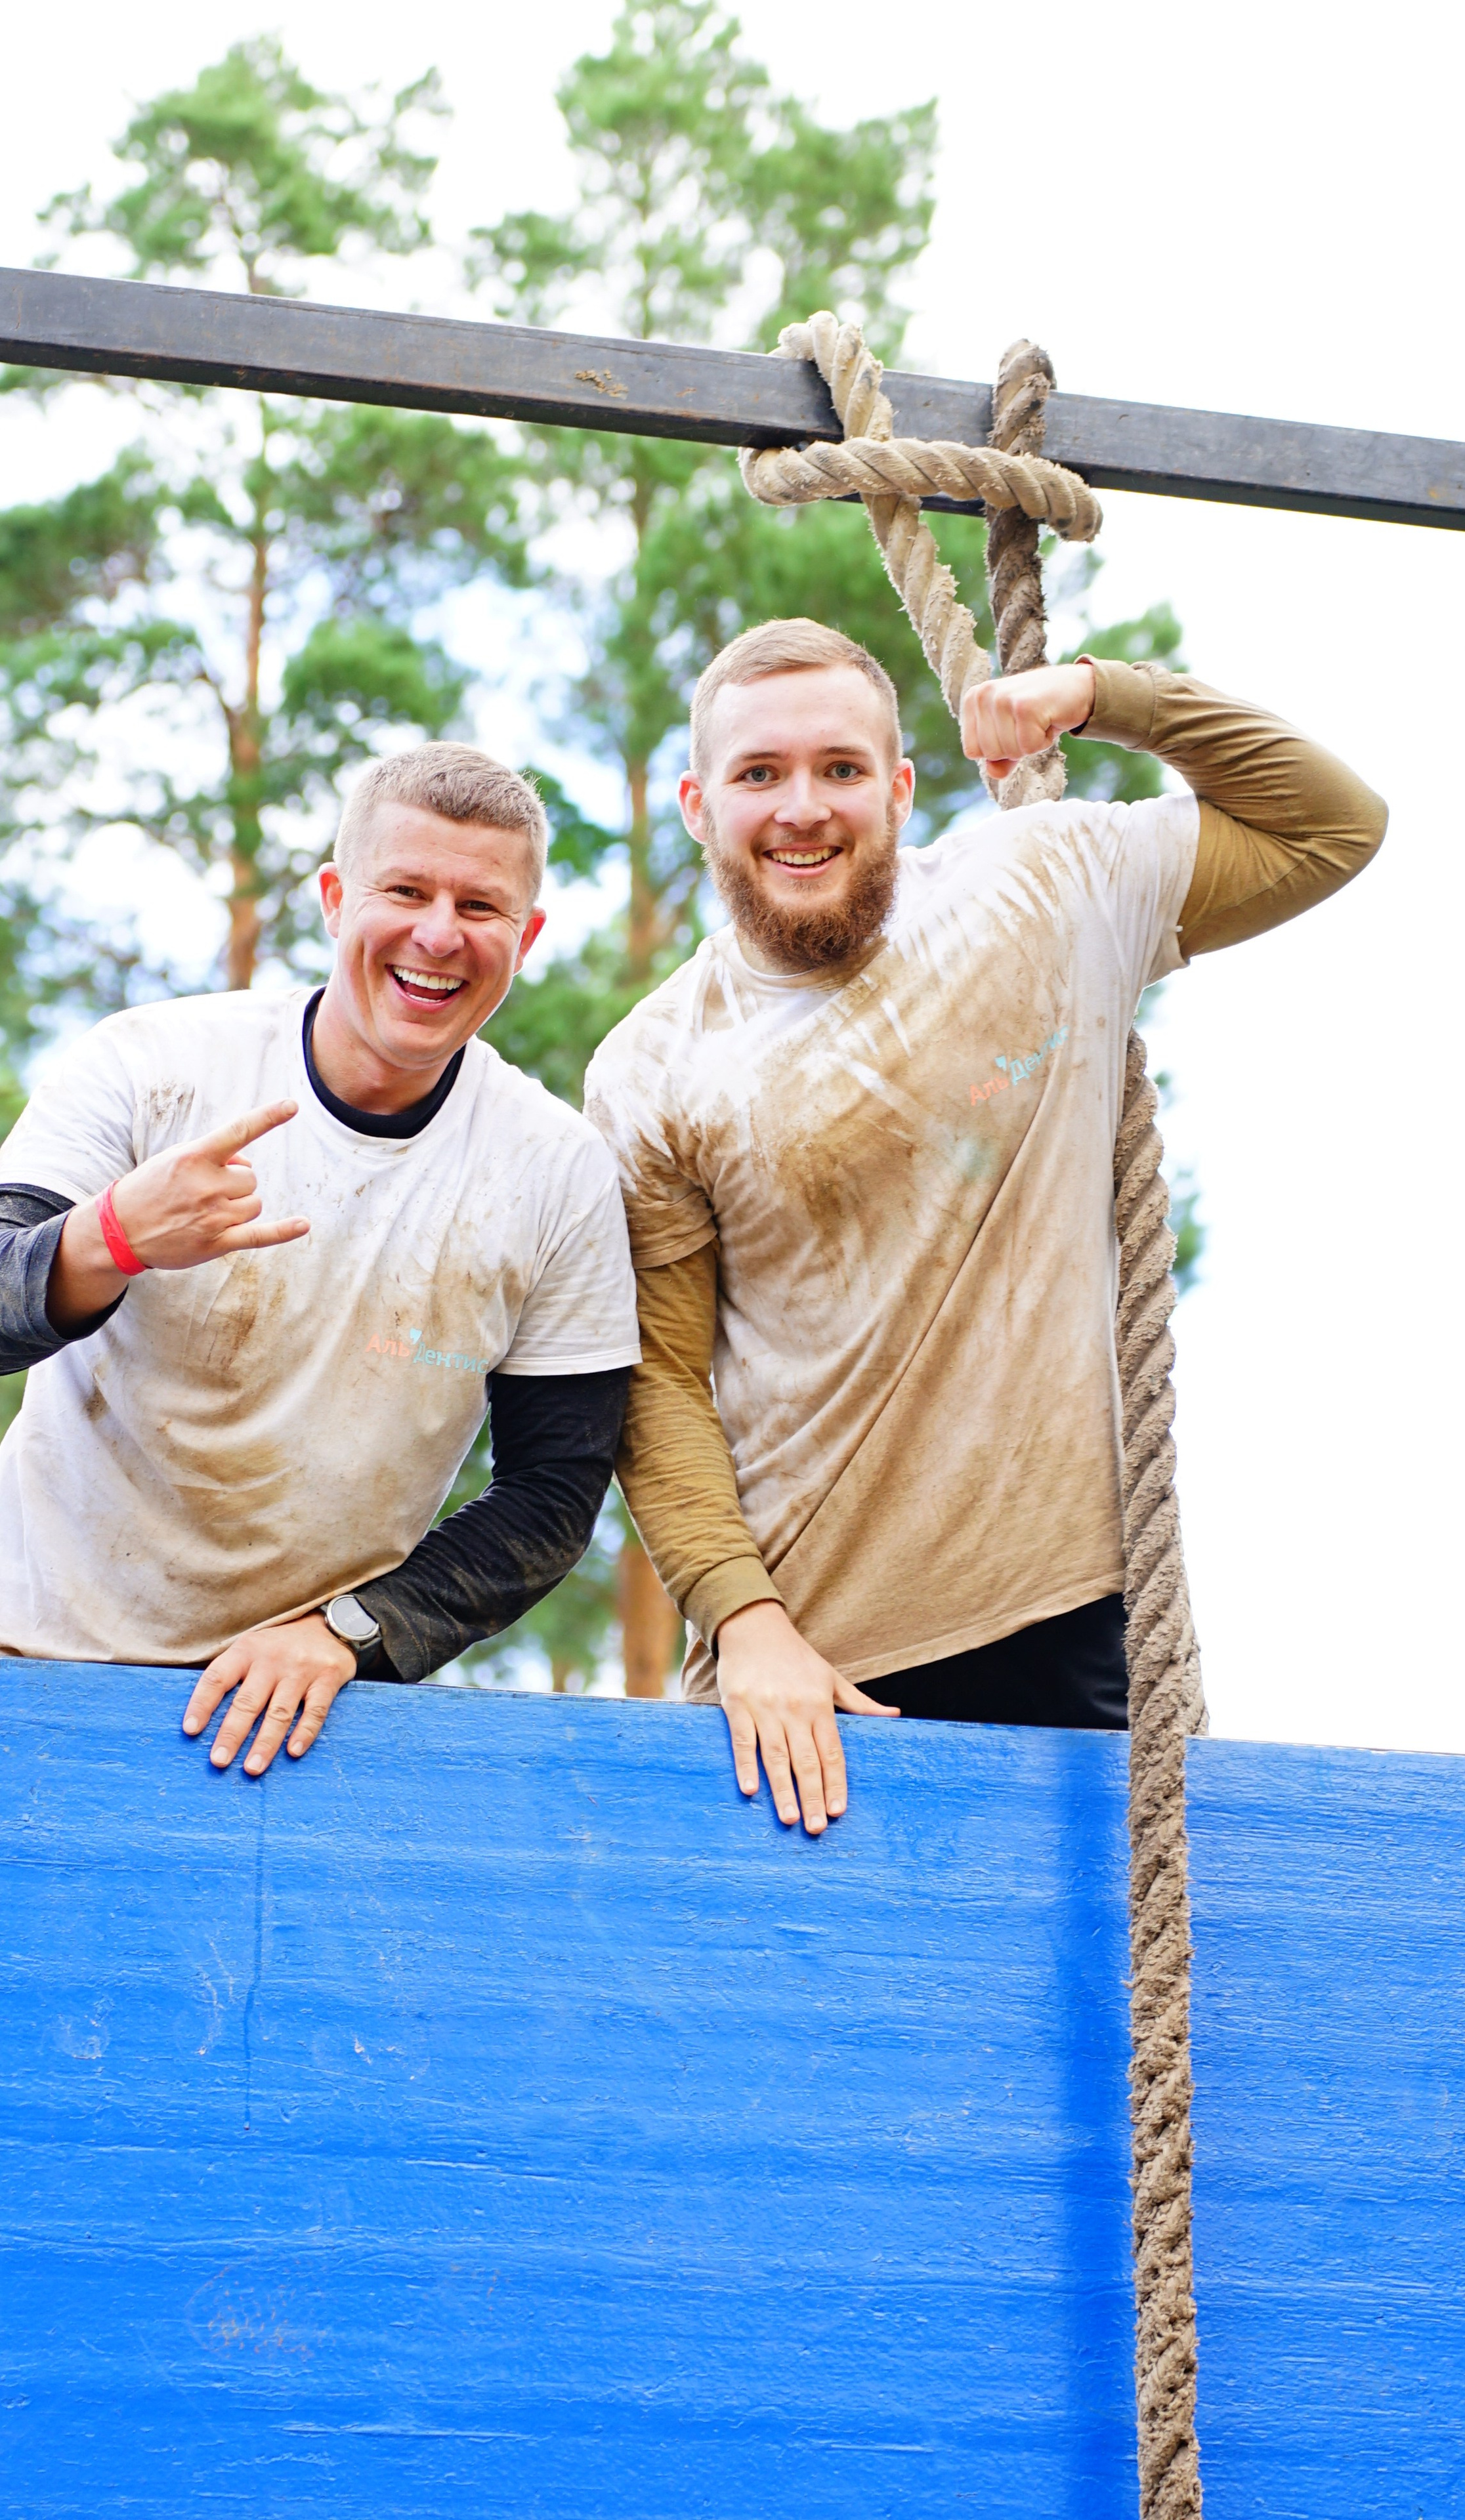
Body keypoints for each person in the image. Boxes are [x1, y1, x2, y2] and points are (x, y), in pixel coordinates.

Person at [584, 621, 1386, 1837]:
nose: (803, 808)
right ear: (698, 805)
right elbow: (658, 1382)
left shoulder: (1045, 883)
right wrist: (742, 1623)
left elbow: (1332, 824)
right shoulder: (652, 1066)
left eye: (841, 769)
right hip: (807, 1662)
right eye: (760, 775)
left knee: (1125, 2016)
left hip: (1067, 1613)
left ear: (899, 788)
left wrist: (1102, 694)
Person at [0, 744, 641, 1774]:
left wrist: (352, 1632)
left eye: (481, 907)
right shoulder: (154, 1065)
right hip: (4, 1666)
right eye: (406, 890)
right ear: (335, 899)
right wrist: (113, 1236)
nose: (438, 934)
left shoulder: (557, 1170)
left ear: (529, 935)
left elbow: (554, 1493)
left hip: (282, 1727)